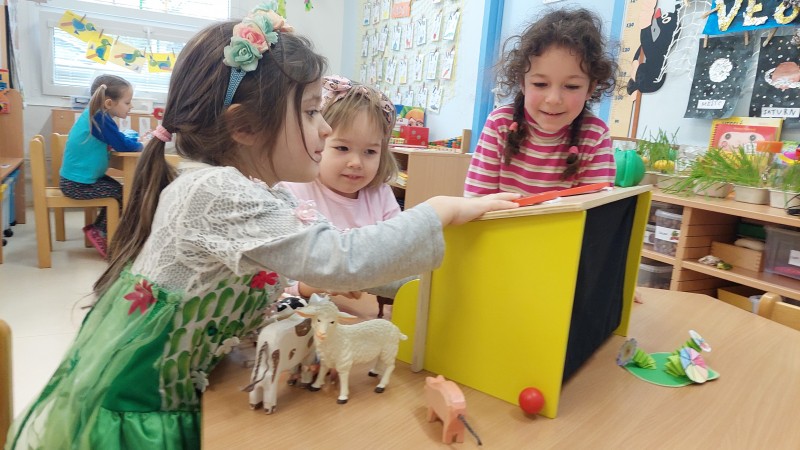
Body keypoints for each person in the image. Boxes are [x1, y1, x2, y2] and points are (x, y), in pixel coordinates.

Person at [5, 5, 518, 449]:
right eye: (313, 112)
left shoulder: (262, 193)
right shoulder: (215, 192)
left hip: (193, 378)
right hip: (145, 396)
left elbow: (315, 269)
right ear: (245, 127)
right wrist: (438, 212)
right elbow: (341, 259)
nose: (325, 129)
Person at [278, 75, 404, 317]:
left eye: (370, 151)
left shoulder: (380, 195)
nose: (356, 162)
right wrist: (309, 286)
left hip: (367, 321)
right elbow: (272, 282)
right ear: (318, 142)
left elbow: (399, 255)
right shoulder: (292, 191)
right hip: (304, 321)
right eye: (342, 148)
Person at [464, 8, 617, 197]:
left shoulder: (595, 136)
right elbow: (476, 203)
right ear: (522, 83)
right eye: (540, 84)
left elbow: (595, 210)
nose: (553, 99)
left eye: (571, 86)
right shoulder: (500, 124)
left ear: (590, 88)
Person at [59, 74, 143, 257]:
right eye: (127, 102)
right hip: (77, 185)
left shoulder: (95, 115)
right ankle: (101, 232)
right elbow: (124, 146)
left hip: (78, 180)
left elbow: (118, 140)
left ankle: (99, 229)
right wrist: (143, 145)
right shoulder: (101, 118)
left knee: (120, 190)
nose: (131, 106)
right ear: (109, 103)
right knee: (122, 194)